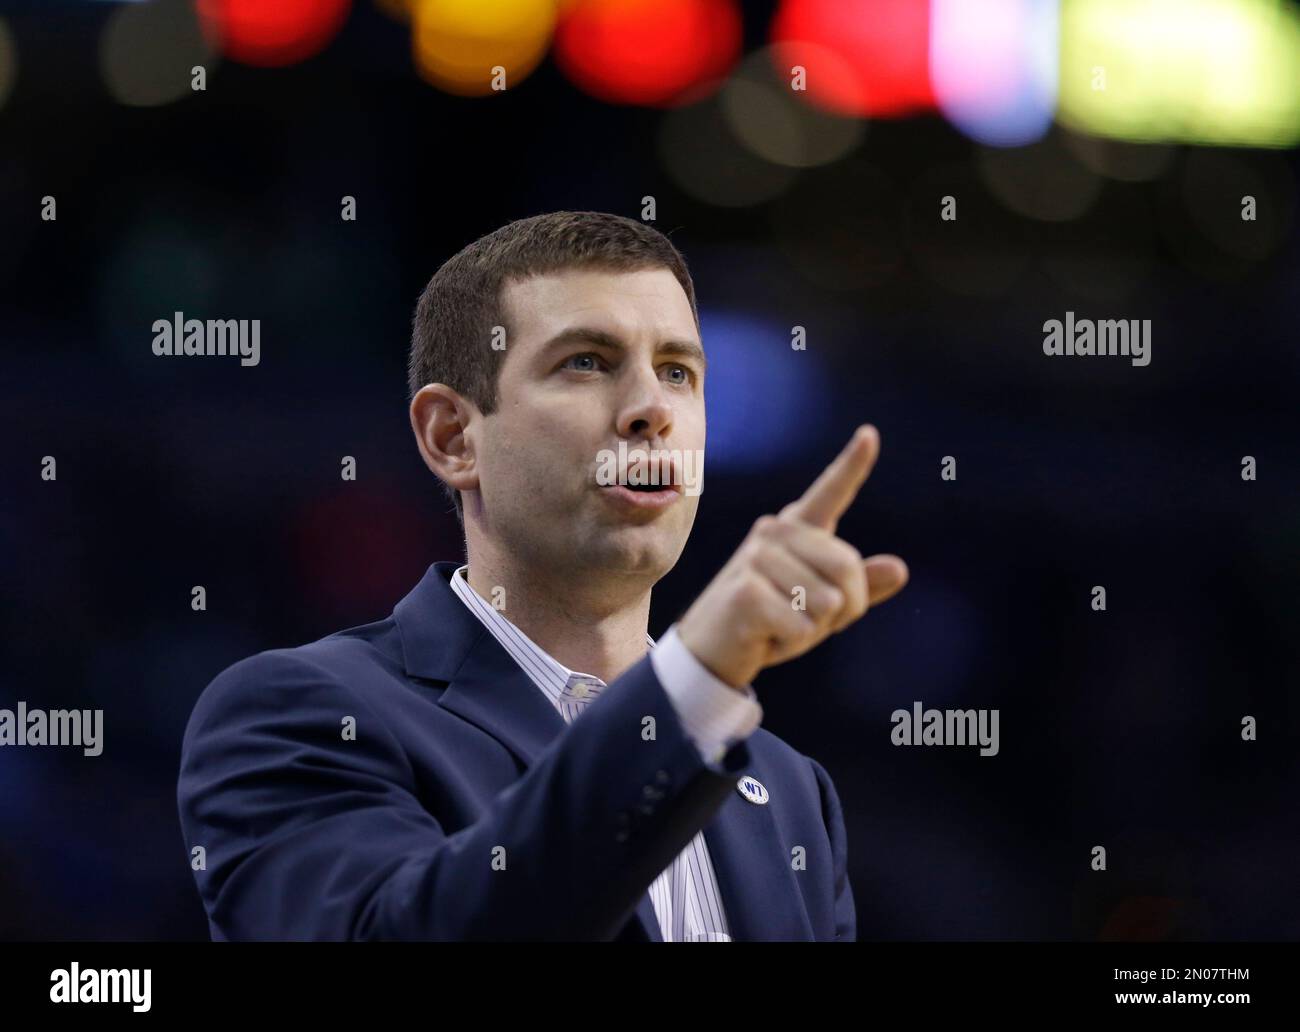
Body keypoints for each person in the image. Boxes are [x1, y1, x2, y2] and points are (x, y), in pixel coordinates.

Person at [177, 211, 908, 941]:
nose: (652, 409)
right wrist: (695, 682)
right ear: (453, 436)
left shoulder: (787, 792)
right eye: (586, 361)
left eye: (678, 372)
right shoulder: (297, 715)